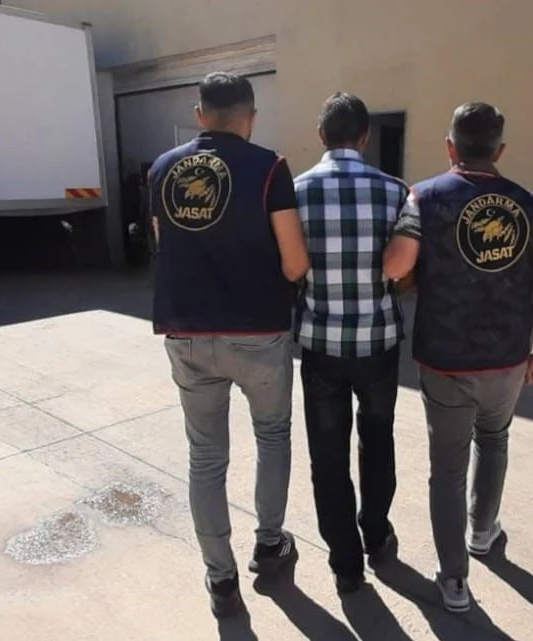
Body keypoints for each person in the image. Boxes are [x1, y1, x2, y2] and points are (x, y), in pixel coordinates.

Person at [383, 102, 533, 613]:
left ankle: (454, 579)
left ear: (450, 147)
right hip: (507, 355)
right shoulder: (532, 206)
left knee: (447, 467)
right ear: (499, 150)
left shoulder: (423, 197)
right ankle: (483, 533)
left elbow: (396, 267)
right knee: (495, 438)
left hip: (444, 357)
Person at [148, 72, 309, 619]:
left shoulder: (162, 169)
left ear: (199, 114)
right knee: (272, 435)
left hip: (187, 332)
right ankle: (269, 544)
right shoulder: (270, 168)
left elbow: (163, 245)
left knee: (206, 456)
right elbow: (294, 262)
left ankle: (220, 578)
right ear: (251, 116)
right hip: (257, 331)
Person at [294, 93, 412, 594]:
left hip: (321, 343)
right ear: (365, 137)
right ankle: (377, 535)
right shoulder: (397, 192)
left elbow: (289, 268)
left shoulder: (294, 193)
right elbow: (405, 271)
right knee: (378, 439)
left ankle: (345, 563)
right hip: (379, 342)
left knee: (327, 453)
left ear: (321, 135)